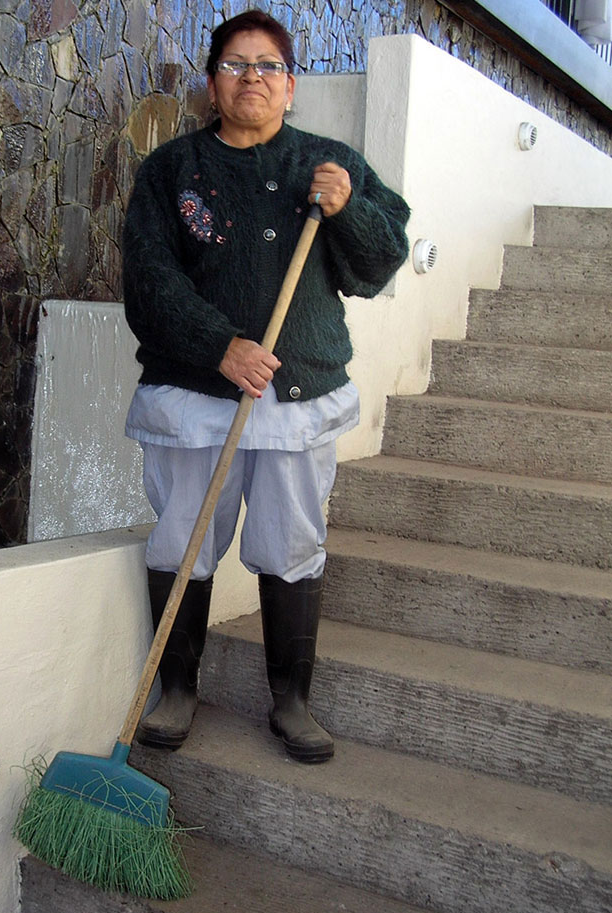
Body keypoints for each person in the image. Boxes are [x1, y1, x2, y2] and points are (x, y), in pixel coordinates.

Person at [122, 9, 410, 764]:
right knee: (184, 538)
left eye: (269, 66)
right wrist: (221, 347)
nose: (253, 76)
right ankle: (177, 688)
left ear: (291, 89)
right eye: (236, 64)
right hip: (194, 398)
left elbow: (381, 263)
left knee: (293, 543)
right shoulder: (168, 174)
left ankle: (291, 699)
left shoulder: (327, 163)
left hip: (297, 398)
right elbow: (148, 282)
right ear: (212, 85)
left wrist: (348, 207)